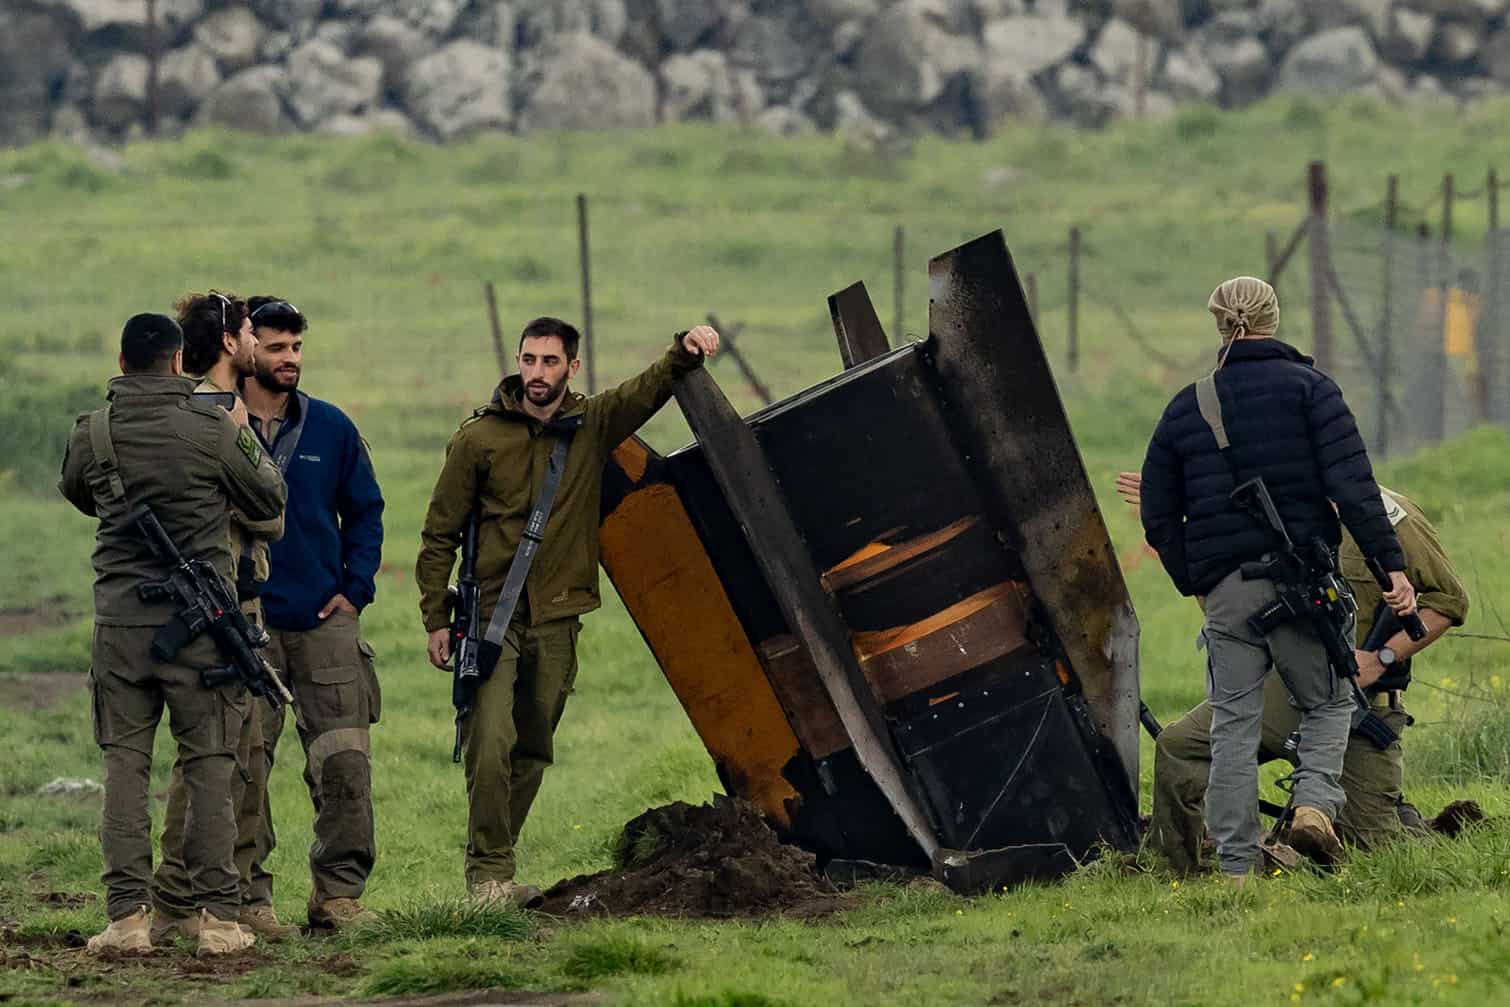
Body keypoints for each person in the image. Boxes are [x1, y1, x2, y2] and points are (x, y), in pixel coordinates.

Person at [416, 318, 719, 907]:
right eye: (529, 360)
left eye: (549, 362)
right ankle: (488, 876)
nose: (536, 373)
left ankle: (497, 862)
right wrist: (434, 617)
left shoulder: (593, 425)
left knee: (534, 744)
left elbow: (648, 388)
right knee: (488, 739)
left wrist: (685, 348)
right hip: (487, 616)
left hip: (557, 615)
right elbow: (438, 534)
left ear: (571, 368)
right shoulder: (479, 439)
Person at [1138, 276, 1418, 883]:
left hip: (1226, 596)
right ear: (1275, 318)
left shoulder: (1187, 406)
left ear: (1219, 324)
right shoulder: (1312, 390)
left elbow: (1157, 512)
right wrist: (1391, 567)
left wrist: (1201, 581)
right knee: (1330, 700)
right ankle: (1315, 806)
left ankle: (1237, 872)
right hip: (1302, 585)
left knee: (1232, 725)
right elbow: (1353, 487)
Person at [59, 313, 286, 955]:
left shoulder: (94, 432)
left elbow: (83, 496)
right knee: (211, 765)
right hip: (202, 629)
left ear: (123, 361)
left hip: (121, 629)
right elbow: (269, 497)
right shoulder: (212, 426)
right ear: (180, 359)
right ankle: (218, 919)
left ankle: (127, 918)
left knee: (125, 767)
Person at [1116, 473, 1469, 870]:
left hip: (1362, 705)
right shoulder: (1270, 510)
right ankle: (1172, 868)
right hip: (1289, 689)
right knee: (1180, 746)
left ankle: (1416, 826)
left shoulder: (1389, 516)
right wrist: (1180, 518)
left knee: (1373, 851)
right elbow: (1219, 596)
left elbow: (1449, 601)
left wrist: (1381, 658)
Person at [150, 291, 296, 942]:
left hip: (224, 592)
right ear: (228, 341)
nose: (254, 340)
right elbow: (269, 510)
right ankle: (187, 900)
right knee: (217, 753)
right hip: (220, 597)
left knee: (235, 751)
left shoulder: (188, 408)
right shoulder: (218, 415)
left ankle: (210, 898)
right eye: (245, 330)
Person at [239, 296, 386, 932]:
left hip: (326, 619)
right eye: (275, 348)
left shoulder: (331, 426)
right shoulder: (221, 425)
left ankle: (338, 896)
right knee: (245, 764)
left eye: (296, 347)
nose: (290, 359)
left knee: (345, 758)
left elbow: (367, 510)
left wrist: (355, 589)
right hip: (247, 620)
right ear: (247, 352)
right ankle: (249, 898)